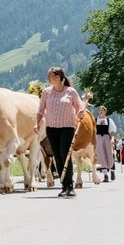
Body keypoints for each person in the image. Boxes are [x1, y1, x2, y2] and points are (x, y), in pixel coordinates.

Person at [34, 66, 85, 198]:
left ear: (58, 77)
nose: (48, 78)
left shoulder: (70, 92)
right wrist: (36, 123)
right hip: (51, 129)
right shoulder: (46, 92)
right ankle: (64, 186)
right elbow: (40, 110)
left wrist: (80, 112)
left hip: (67, 128)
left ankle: (70, 186)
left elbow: (79, 107)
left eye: (50, 76)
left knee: (65, 155)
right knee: (57, 156)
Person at [94, 105, 117, 182]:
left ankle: (112, 170)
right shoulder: (95, 120)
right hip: (98, 138)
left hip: (107, 138)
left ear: (105, 111)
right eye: (99, 110)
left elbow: (112, 132)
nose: (101, 111)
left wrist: (112, 139)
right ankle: (105, 175)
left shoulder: (109, 120)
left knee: (109, 154)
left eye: (102, 110)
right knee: (101, 155)